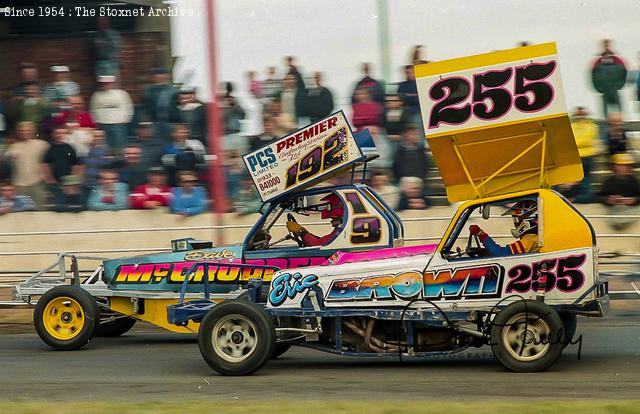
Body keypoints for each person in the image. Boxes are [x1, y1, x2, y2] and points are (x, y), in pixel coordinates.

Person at [469, 199, 539, 256]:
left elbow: (501, 253)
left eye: (517, 219)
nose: (515, 223)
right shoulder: (533, 238)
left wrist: (480, 233)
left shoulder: (530, 239)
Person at [5, 121, 50, 208]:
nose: (25, 132)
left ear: (33, 131)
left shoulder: (43, 145)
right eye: (22, 130)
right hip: (19, 185)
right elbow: (7, 163)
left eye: (28, 130)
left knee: (40, 210)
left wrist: (45, 176)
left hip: (37, 183)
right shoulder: (14, 146)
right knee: (20, 210)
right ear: (19, 132)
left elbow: (50, 162)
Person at [90, 75, 134, 152]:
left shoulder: (122, 93)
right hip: (102, 125)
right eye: (103, 83)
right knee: (104, 148)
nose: (105, 85)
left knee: (119, 147)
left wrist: (125, 120)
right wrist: (96, 122)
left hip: (118, 125)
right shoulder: (96, 95)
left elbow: (129, 107)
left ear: (113, 83)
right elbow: (93, 109)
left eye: (108, 83)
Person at [42, 125, 83, 206]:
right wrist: (50, 179)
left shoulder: (70, 148)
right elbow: (45, 165)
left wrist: (72, 180)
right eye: (57, 133)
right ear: (54, 135)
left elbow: (76, 165)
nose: (60, 135)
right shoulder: (50, 149)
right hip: (55, 184)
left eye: (62, 133)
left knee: (71, 205)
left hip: (69, 184)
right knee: (58, 205)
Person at [598, 153, 640, 231]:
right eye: (622, 166)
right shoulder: (608, 181)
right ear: (614, 167)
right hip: (613, 209)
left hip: (630, 210)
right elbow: (599, 196)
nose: (625, 168)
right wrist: (609, 199)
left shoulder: (635, 181)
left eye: (627, 166)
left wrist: (634, 200)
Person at [569, 106, 600, 203]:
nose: (580, 116)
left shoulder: (592, 126)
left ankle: (583, 196)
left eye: (582, 114)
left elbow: (587, 140)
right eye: (578, 114)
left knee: (586, 177)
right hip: (575, 156)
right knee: (575, 177)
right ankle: (574, 195)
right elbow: (569, 139)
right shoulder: (571, 126)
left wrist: (575, 143)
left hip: (587, 155)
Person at [591, 39, 627, 117]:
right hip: (604, 91)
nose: (606, 47)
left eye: (608, 45)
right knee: (604, 111)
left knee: (620, 109)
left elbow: (625, 74)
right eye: (605, 45)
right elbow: (593, 77)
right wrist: (599, 89)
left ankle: (621, 122)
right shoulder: (597, 62)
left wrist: (619, 86)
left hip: (615, 90)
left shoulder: (618, 61)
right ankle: (606, 125)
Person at [142, 67, 178, 143]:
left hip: (171, 123)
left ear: (167, 76)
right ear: (154, 77)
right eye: (158, 74)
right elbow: (145, 108)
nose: (161, 76)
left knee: (172, 143)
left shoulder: (174, 90)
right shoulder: (149, 91)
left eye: (163, 74)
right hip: (155, 123)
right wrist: (147, 124)